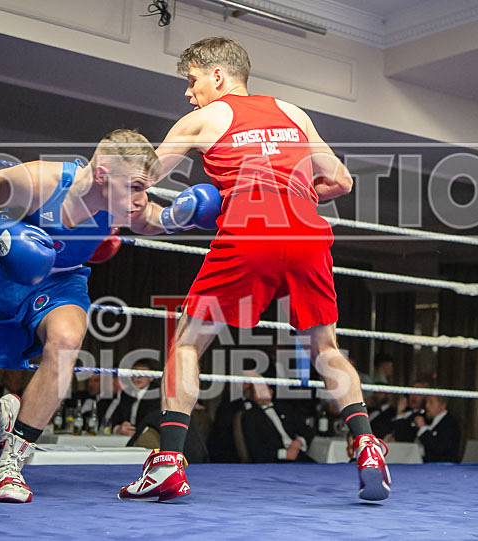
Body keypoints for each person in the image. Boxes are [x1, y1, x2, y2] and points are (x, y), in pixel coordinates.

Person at [118, 37, 390, 502]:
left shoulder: (202, 119)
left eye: (193, 80)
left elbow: (141, 177)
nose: (189, 92)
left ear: (218, 76)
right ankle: (366, 441)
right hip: (308, 232)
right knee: (325, 346)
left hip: (250, 229)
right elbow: (341, 180)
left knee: (186, 342)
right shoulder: (293, 112)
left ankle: (166, 462)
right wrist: (299, 191)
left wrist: (138, 211)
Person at [0, 129, 161, 503]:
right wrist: (3, 227)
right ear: (102, 175)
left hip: (62, 284)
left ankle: (11, 464)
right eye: (135, 186)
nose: (141, 199)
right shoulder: (43, 181)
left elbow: (154, 221)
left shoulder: (127, 204)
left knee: (66, 340)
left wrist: (197, 211)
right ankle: (1, 411)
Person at [414, 394, 462, 463]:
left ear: (442, 406)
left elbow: (439, 447)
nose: (427, 406)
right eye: (426, 402)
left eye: (431, 402)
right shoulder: (429, 420)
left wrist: (422, 428)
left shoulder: (450, 423)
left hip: (444, 467)